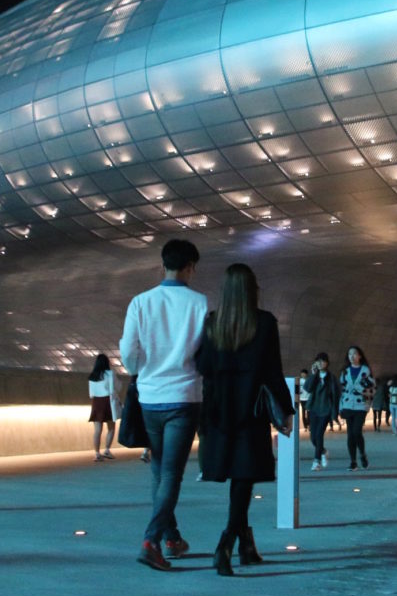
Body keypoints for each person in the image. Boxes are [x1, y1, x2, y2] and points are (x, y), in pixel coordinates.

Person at [195, 263, 292, 576]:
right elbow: (273, 372)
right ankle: (226, 543)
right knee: (244, 477)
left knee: (238, 477)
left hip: (219, 411)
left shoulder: (213, 323)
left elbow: (203, 365)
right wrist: (287, 411)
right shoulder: (263, 323)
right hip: (249, 410)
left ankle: (246, 546)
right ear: (253, 289)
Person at [120, 239, 207, 572]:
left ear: (163, 264)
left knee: (159, 470)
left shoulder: (141, 302)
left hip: (150, 397)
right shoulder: (198, 303)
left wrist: (140, 370)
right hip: (184, 396)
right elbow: (202, 351)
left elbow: (129, 351)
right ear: (190, 267)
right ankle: (151, 539)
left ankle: (171, 537)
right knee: (171, 472)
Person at [338, 346, 375, 470]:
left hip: (360, 405)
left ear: (360, 356)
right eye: (349, 354)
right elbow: (342, 390)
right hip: (348, 404)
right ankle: (353, 461)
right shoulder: (345, 371)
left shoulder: (366, 371)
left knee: (356, 431)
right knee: (350, 434)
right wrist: (340, 406)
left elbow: (371, 389)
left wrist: (366, 400)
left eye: (354, 354)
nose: (352, 356)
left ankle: (362, 454)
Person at [304, 353, 340, 470]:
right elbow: (307, 388)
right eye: (318, 361)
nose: (320, 363)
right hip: (314, 409)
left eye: (323, 361)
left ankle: (317, 461)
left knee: (319, 434)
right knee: (313, 438)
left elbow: (336, 395)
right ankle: (323, 451)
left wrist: (335, 412)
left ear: (327, 363)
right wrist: (313, 375)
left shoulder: (331, 378)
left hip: (326, 410)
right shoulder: (315, 376)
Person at [87, 353, 118, 461]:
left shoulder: (92, 376)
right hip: (107, 401)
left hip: (96, 402)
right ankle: (107, 450)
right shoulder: (110, 373)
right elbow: (114, 388)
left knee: (97, 430)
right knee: (111, 428)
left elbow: (90, 394)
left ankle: (96, 453)